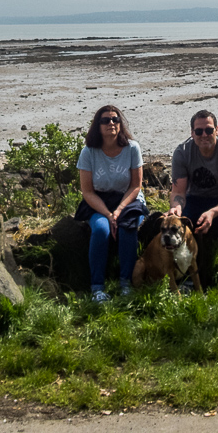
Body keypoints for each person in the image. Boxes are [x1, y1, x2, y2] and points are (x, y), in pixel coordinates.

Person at [168, 109, 218, 300]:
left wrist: (212, 213)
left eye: (209, 130)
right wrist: (176, 208)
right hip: (195, 197)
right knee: (181, 223)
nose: (204, 136)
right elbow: (178, 192)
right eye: (199, 131)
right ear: (192, 133)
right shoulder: (182, 152)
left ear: (217, 130)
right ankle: (187, 277)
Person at [78, 105, 147, 303]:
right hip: (99, 201)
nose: (111, 123)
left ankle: (126, 283)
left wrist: (118, 211)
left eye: (115, 119)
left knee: (127, 228)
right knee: (101, 230)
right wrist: (108, 215)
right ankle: (97, 288)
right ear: (97, 126)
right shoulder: (89, 152)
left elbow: (136, 186)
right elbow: (87, 191)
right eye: (105, 120)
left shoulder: (132, 148)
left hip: (128, 199)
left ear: (120, 123)